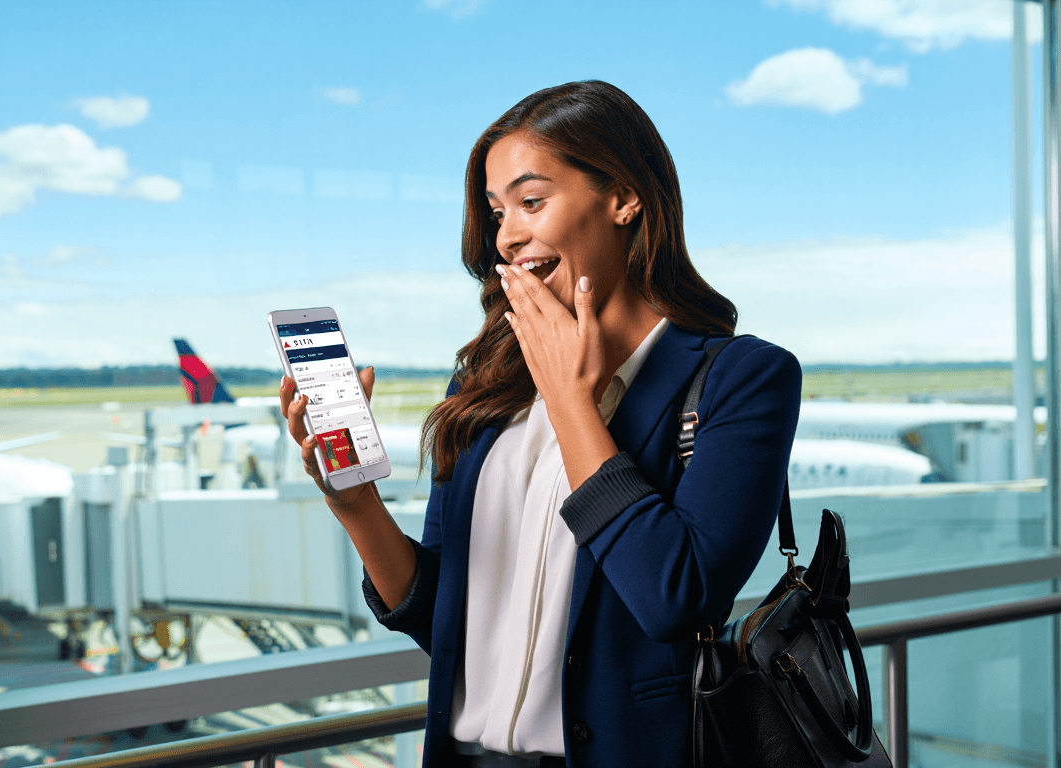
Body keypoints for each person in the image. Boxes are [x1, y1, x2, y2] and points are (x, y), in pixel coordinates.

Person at [279, 81, 800, 768]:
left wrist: (570, 400)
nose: (508, 236)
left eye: (531, 201)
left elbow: (676, 598)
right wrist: (357, 507)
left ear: (623, 198)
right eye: (497, 212)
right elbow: (451, 624)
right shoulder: (483, 384)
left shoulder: (744, 377)